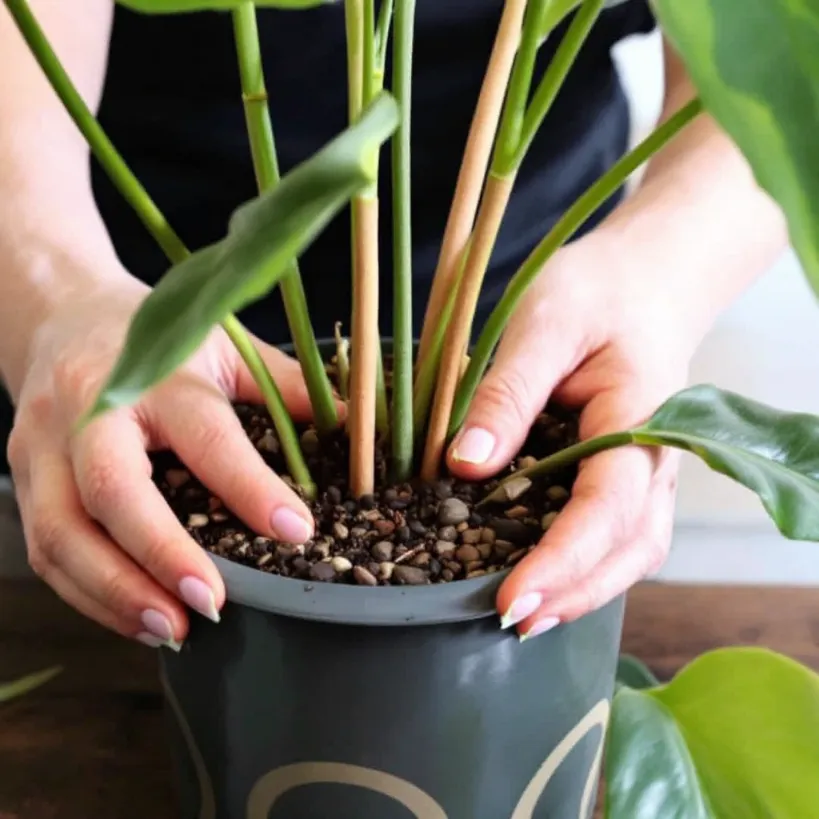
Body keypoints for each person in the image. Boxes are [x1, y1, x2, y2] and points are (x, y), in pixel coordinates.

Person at [0, 1, 788, 649]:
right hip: (140, 351)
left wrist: (654, 277)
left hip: (532, 331)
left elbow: (777, 59)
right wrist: (52, 294)